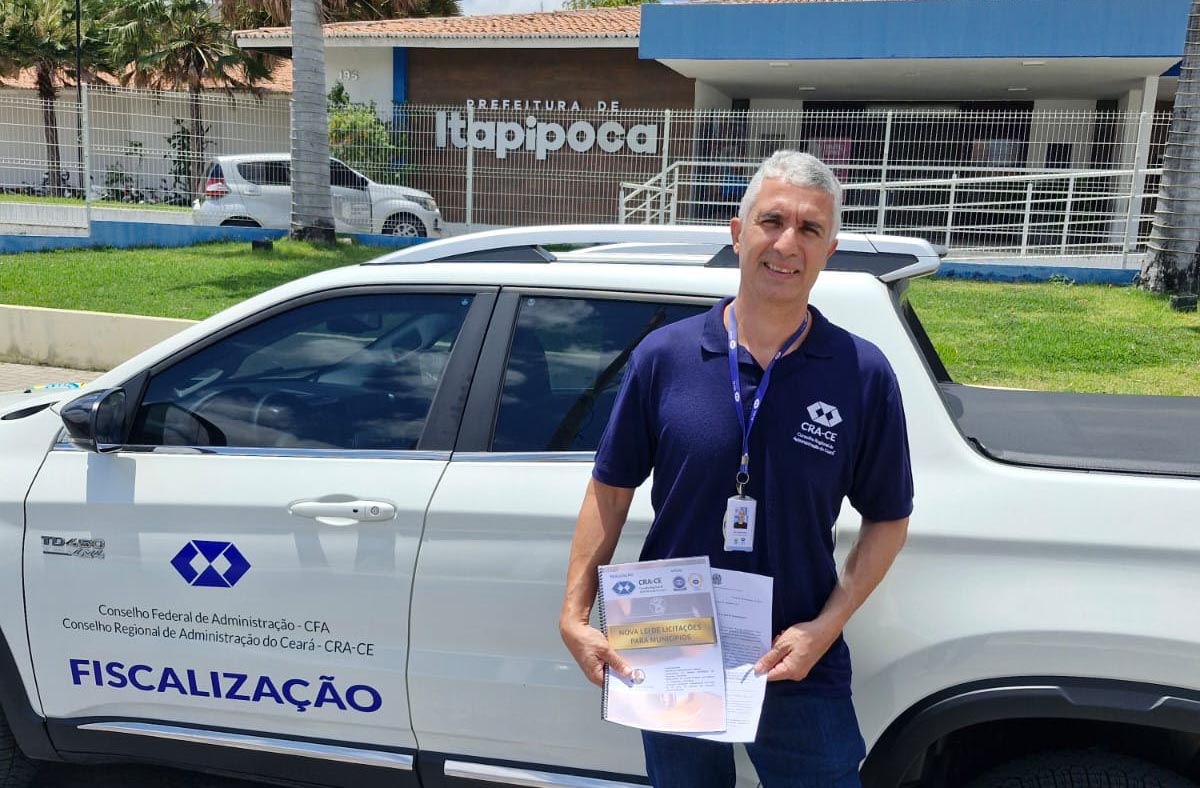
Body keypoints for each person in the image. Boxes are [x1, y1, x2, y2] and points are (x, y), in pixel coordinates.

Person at [558, 150, 914, 788]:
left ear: (828, 250)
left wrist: (824, 628)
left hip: (796, 655)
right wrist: (574, 614)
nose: (787, 244)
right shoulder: (664, 357)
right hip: (673, 648)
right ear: (737, 232)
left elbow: (888, 519)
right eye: (771, 221)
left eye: (809, 229)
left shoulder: (861, 374)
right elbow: (610, 490)